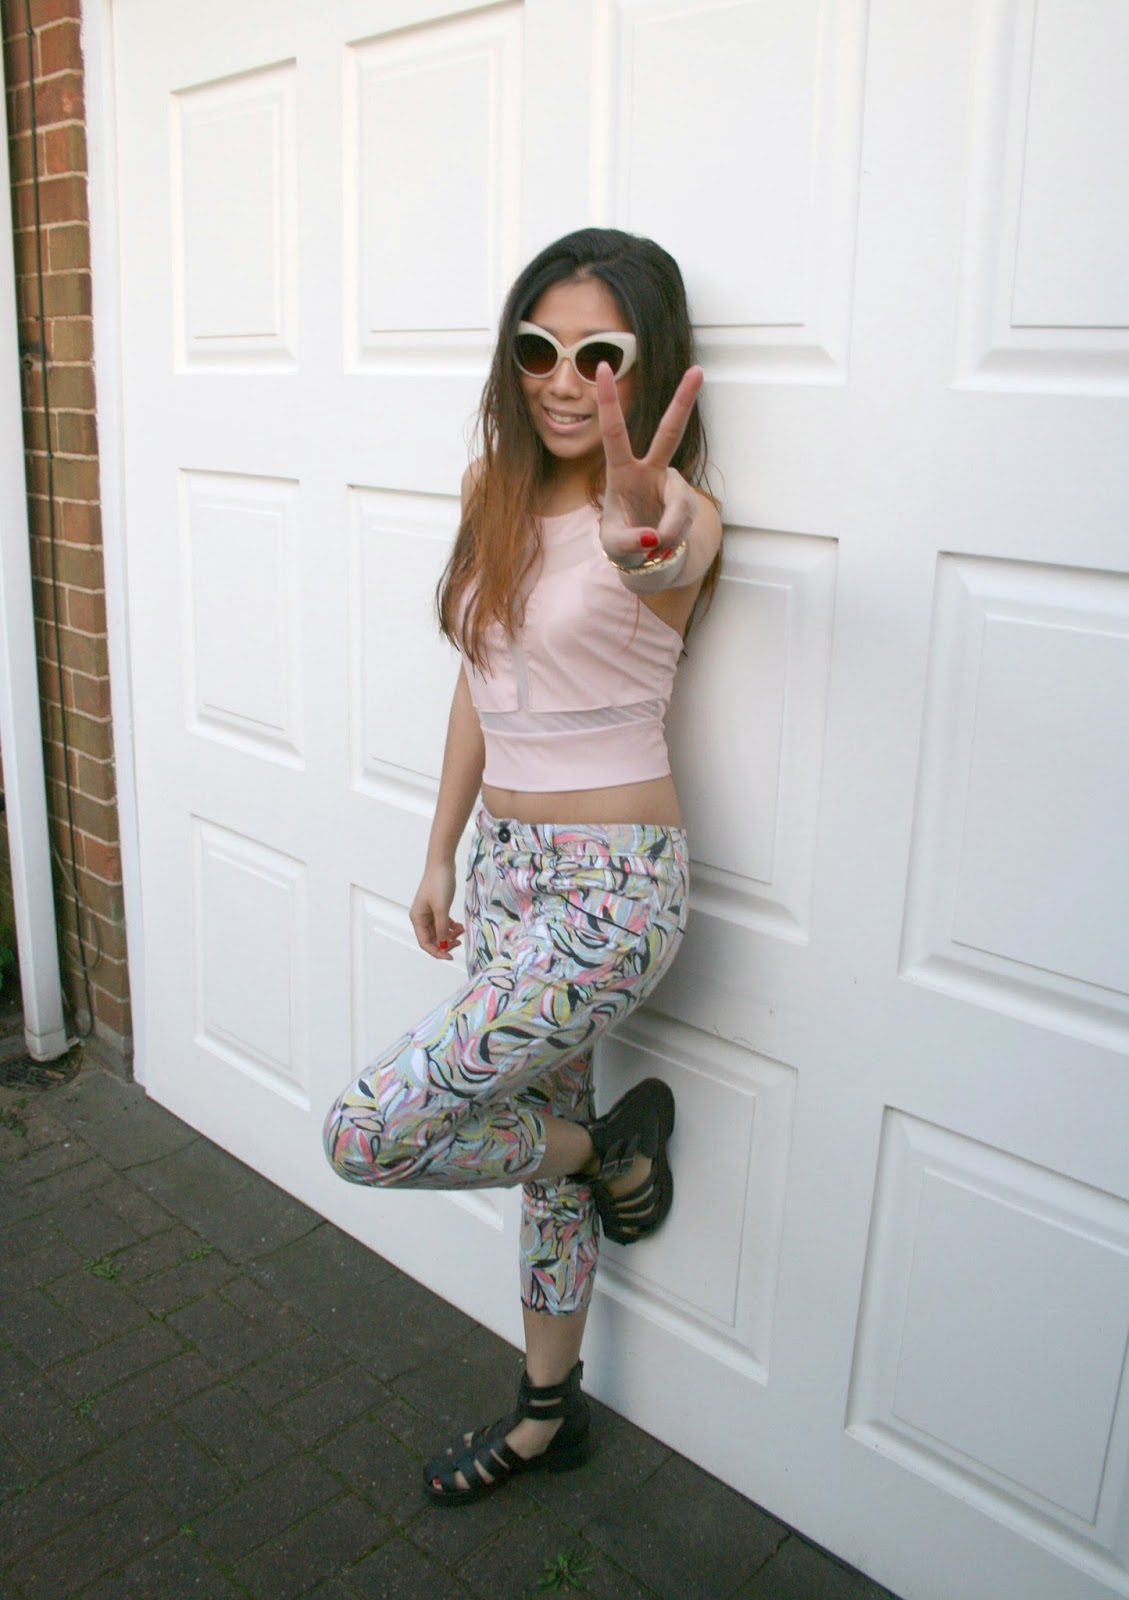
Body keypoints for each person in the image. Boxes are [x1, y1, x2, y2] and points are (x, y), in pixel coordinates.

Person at [323, 227, 722, 1505]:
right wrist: (438, 848)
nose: (561, 379)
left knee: (364, 1132)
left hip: (612, 894)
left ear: (645, 365)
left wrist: (642, 530)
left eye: (599, 355)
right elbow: (478, 675)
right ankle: (550, 1410)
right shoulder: (488, 488)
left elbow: (666, 552)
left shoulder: (665, 507)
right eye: (538, 347)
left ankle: (596, 1149)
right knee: (542, 1158)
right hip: (506, 873)